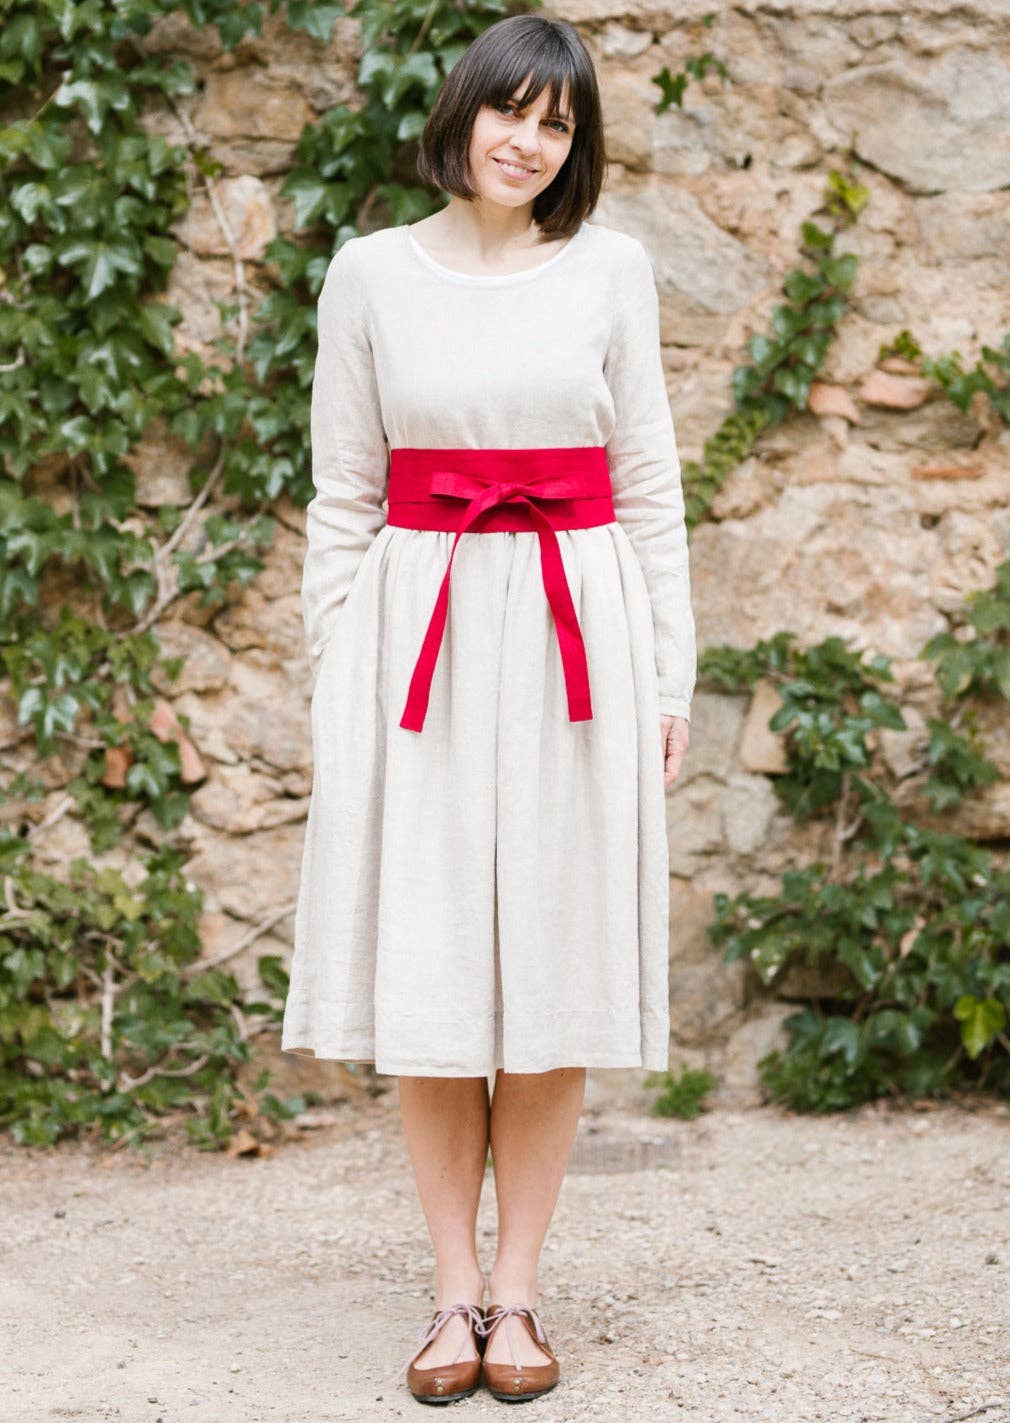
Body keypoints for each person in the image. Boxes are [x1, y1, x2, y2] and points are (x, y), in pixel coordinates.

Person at [280, 11, 697, 1405]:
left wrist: (668, 676)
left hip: (578, 637)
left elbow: (648, 484)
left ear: (577, 147)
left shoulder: (612, 271)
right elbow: (344, 491)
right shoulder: (370, 275)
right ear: (462, 112)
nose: (527, 142)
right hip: (421, 640)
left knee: (556, 971)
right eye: (510, 110)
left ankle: (518, 1293)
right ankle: (449, 1295)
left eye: (557, 125)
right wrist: (337, 667)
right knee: (437, 964)